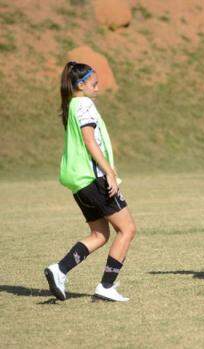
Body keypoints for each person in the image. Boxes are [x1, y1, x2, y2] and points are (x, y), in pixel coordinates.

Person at [44, 61, 136, 302]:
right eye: (94, 84)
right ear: (81, 85)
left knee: (99, 234)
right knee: (127, 229)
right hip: (94, 179)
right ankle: (106, 286)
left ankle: (60, 269)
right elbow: (90, 141)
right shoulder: (84, 104)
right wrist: (110, 173)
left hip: (79, 183)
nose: (98, 88)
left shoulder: (72, 104)